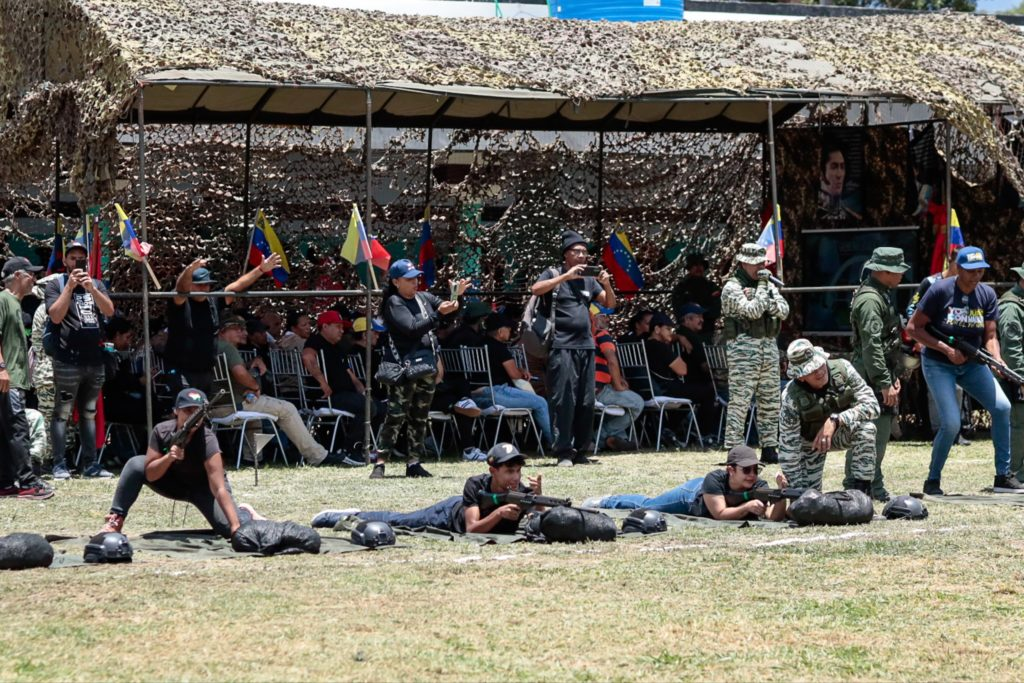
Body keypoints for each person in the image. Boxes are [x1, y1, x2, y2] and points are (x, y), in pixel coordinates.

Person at [908, 246, 1024, 494]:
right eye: (971, 270)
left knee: (1002, 407)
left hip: (973, 364)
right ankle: (932, 480)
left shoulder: (987, 294)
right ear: (958, 268)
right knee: (950, 424)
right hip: (939, 364)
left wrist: (997, 359)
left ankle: (1003, 476)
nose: (976, 275)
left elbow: (990, 335)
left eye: (981, 270)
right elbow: (913, 328)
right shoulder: (940, 290)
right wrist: (946, 349)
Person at [98, 388, 256, 537]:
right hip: (174, 482)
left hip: (204, 488)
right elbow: (151, 475)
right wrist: (169, 458)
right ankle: (116, 519)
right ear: (176, 411)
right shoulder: (162, 431)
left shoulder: (208, 439)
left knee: (230, 529)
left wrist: (235, 525)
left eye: (198, 412)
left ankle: (244, 512)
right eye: (187, 411)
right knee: (136, 464)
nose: (193, 416)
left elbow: (219, 487)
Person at [310, 443, 543, 534]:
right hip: (446, 515)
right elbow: (472, 529)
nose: (515, 477)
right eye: (509, 471)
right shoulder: (475, 484)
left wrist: (539, 496)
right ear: (493, 471)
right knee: (399, 521)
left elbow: (544, 518)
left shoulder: (521, 492)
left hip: (468, 515)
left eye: (517, 471)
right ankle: (343, 516)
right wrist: (498, 513)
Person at [375, 259, 470, 479]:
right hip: (403, 370)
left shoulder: (424, 298)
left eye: (416, 278)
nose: (415, 283)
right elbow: (411, 329)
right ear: (396, 282)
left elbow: (451, 313)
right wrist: (438, 315)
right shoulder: (394, 303)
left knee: (420, 417)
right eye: (409, 280)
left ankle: (414, 463)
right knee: (395, 416)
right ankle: (380, 463)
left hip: (425, 368)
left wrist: (457, 296)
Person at [531, 230, 616, 467]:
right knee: (563, 400)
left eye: (584, 252)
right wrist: (564, 277)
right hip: (561, 345)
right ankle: (563, 452)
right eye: (576, 252)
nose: (581, 256)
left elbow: (609, 304)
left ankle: (581, 450)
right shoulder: (554, 273)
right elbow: (536, 289)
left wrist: (607, 285)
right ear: (566, 255)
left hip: (586, 346)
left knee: (586, 401)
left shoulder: (589, 279)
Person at [215, 315, 344, 466]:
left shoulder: (212, 347)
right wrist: (255, 387)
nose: (244, 333)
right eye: (238, 329)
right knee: (288, 408)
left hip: (215, 408)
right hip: (235, 405)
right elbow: (240, 374)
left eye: (244, 329)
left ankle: (252, 459)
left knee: (255, 416)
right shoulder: (228, 348)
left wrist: (251, 362)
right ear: (223, 331)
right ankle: (317, 456)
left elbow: (233, 372)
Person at [45, 241, 116, 479]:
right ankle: (59, 464)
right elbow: (55, 316)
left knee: (89, 412)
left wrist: (92, 289)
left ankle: (91, 464)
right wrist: (70, 288)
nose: (77, 262)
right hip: (67, 360)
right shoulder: (56, 283)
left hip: (94, 361)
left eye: (81, 258)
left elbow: (109, 311)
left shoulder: (96, 284)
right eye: (73, 258)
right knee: (62, 413)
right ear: (65, 261)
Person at [847, 247, 911, 502]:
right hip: (870, 378)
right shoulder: (871, 300)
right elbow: (871, 345)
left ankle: (873, 485)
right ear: (883, 272)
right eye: (897, 271)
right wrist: (884, 382)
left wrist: (891, 376)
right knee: (873, 432)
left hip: (879, 373)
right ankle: (859, 485)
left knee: (876, 433)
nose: (901, 276)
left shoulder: (879, 294)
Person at [164, 254, 281, 394]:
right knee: (187, 408)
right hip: (181, 369)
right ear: (190, 284)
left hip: (204, 370)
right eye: (199, 284)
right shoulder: (180, 302)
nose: (204, 288)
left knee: (202, 411)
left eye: (207, 284)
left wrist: (261, 269)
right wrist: (189, 270)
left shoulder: (213, 300)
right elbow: (181, 290)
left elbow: (236, 287)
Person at [778, 339, 878, 494]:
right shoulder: (790, 397)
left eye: (820, 364)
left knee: (866, 429)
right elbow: (788, 449)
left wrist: (836, 420)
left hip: (839, 433)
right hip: (809, 444)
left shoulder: (843, 368)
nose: (819, 371)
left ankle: (862, 494)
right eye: (812, 370)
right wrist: (796, 493)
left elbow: (873, 406)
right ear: (800, 376)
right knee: (810, 499)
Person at [584, 445, 788, 521]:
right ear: (731, 470)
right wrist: (747, 507)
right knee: (648, 506)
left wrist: (781, 495)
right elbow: (719, 514)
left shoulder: (758, 486)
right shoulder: (715, 479)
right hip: (691, 496)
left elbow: (773, 517)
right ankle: (608, 501)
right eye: (746, 469)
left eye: (756, 469)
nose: (752, 474)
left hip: (706, 500)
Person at [720, 242, 789, 463]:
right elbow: (753, 311)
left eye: (761, 262)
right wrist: (762, 290)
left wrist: (764, 293)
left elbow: (784, 310)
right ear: (742, 263)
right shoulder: (732, 287)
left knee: (769, 400)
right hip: (743, 351)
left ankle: (769, 447)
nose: (759, 267)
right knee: (740, 402)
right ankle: (734, 450)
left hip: (768, 349)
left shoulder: (767, 285)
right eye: (755, 263)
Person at [0, 257, 53, 499]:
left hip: (15, 379)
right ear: (18, 276)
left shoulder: (15, 303)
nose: (34, 279)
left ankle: (5, 482)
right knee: (18, 430)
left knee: (6, 431)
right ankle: (28, 482)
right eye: (30, 274)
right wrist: (2, 367)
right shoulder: (3, 300)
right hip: (7, 378)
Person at [905, 246, 969, 443]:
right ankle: (938, 432)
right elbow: (911, 310)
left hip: (956, 345)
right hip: (932, 344)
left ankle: (955, 432)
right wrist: (920, 340)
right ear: (951, 262)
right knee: (935, 392)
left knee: (958, 389)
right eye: (962, 266)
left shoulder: (964, 286)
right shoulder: (931, 283)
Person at [302, 310, 380, 463]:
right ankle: (349, 450)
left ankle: (366, 448)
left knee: (379, 407)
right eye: (337, 326)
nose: (342, 330)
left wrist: (361, 388)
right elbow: (307, 357)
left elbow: (350, 373)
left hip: (346, 394)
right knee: (367, 406)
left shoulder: (338, 347)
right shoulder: (315, 342)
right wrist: (322, 382)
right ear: (325, 326)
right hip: (329, 397)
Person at [471, 312, 554, 450]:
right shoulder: (499, 347)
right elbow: (514, 374)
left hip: (475, 397)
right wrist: (521, 371)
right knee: (540, 402)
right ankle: (555, 443)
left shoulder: (478, 344)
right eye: (509, 329)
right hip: (495, 393)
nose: (510, 332)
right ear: (500, 331)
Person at [643, 311, 718, 441]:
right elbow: (682, 371)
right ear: (656, 329)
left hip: (650, 389)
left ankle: (669, 429)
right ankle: (704, 434)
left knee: (689, 392)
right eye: (667, 329)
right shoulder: (660, 347)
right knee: (708, 391)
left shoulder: (644, 345)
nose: (670, 333)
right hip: (667, 389)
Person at [592, 305, 642, 451]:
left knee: (622, 410)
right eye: (603, 316)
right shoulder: (602, 335)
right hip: (600, 390)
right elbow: (612, 360)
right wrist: (618, 385)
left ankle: (617, 440)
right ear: (594, 319)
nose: (607, 319)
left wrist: (617, 378)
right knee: (637, 403)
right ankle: (600, 438)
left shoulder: (582, 338)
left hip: (587, 390)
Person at [997, 261, 1024, 481]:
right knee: (1019, 425)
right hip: (1018, 378)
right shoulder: (1011, 306)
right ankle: (1016, 472)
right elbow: (1011, 349)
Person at [670, 253, 721, 342]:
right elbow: (678, 310)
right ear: (689, 268)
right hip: (688, 332)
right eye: (694, 265)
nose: (698, 268)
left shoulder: (711, 287)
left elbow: (716, 310)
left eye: (700, 265)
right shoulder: (681, 288)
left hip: (707, 331)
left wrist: (702, 313)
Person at [817, 141, 863, 222]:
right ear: (821, 173)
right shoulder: (809, 217)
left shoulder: (853, 218)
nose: (839, 175)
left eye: (842, 167)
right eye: (834, 167)